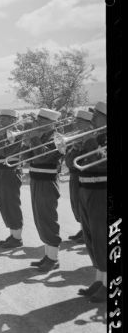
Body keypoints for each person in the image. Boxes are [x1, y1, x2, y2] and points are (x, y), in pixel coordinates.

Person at [22, 108, 63, 272]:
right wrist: (26, 144)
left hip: (47, 181)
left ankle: (54, 258)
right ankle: (48, 255)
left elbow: (43, 157)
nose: (37, 123)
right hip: (37, 179)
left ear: (50, 123)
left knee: (48, 218)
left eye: (41, 121)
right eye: (38, 120)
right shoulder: (40, 136)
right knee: (40, 218)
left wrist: (34, 141)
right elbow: (28, 158)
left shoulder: (57, 138)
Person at [75, 101, 107, 302]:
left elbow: (103, 161)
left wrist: (88, 141)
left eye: (96, 115)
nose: (92, 118)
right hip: (86, 190)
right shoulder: (93, 136)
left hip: (101, 192)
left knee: (102, 238)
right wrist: (75, 146)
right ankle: (99, 279)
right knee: (90, 238)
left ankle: (108, 284)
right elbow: (72, 164)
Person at [0, 110, 24, 249]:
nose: (0, 121)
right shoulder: (2, 133)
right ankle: (13, 234)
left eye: (4, 119)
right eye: (0, 119)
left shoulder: (16, 134)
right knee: (3, 203)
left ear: (13, 120)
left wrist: (0, 140)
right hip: (0, 171)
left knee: (11, 204)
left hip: (10, 171)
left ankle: (17, 238)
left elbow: (7, 153)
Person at [64, 109, 93, 243]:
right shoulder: (77, 137)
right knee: (76, 203)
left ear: (88, 124)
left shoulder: (92, 138)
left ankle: (88, 232)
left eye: (79, 122)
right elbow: (69, 161)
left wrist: (80, 146)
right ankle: (83, 229)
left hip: (85, 176)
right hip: (74, 175)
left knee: (84, 204)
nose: (76, 125)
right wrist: (74, 147)